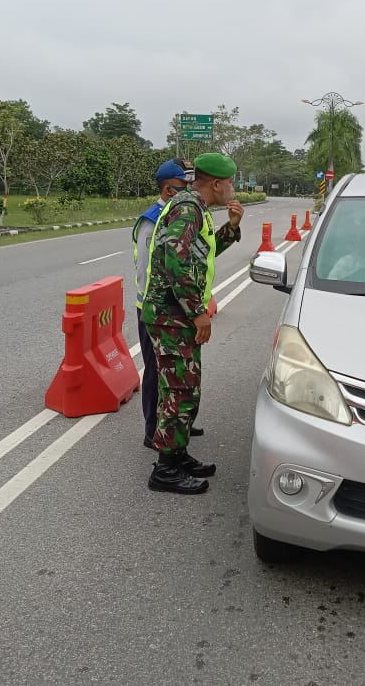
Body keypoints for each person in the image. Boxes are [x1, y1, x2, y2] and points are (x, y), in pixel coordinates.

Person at [140, 152, 243, 494]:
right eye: (230, 182)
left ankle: (177, 453)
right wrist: (198, 311)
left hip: (176, 313)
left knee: (184, 389)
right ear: (216, 183)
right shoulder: (188, 209)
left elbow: (200, 256)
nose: (233, 188)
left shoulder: (194, 207)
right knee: (180, 391)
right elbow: (177, 263)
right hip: (173, 314)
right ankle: (165, 470)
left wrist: (232, 228)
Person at [131, 158, 190, 450]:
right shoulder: (151, 220)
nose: (188, 194)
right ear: (168, 190)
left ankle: (174, 422)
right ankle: (152, 430)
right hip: (153, 309)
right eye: (183, 188)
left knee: (173, 372)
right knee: (155, 371)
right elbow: (146, 270)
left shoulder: (175, 217)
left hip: (173, 311)